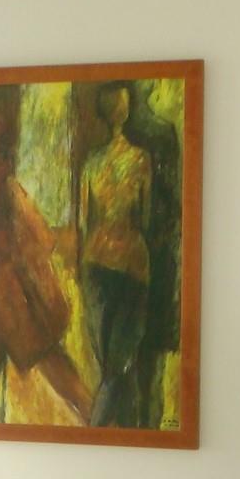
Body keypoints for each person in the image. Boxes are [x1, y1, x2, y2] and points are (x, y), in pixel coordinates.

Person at [0, 105, 92, 424]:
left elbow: (43, 235)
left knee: (58, 373)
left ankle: (98, 422)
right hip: (5, 302)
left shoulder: (6, 184)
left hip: (18, 303)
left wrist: (17, 264)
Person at [79, 83, 153, 427]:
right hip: (131, 265)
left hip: (95, 266)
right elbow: (145, 217)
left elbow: (84, 221)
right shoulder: (141, 160)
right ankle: (95, 433)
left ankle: (115, 435)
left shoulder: (91, 164)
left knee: (117, 365)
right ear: (125, 110)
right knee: (119, 367)